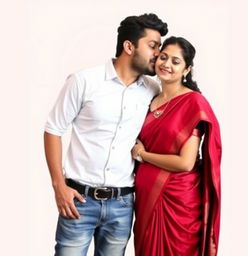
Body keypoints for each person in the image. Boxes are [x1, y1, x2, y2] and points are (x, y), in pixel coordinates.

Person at [44, 13, 168, 256]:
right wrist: (59, 186)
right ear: (129, 46)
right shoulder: (84, 81)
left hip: (123, 204)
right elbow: (53, 129)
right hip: (79, 200)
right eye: (153, 46)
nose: (158, 54)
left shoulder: (153, 90)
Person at [132, 36, 221, 256]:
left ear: (186, 69)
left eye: (175, 61)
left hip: (179, 202)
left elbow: (185, 162)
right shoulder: (149, 97)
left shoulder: (193, 103)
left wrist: (143, 154)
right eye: (163, 57)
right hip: (146, 197)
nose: (167, 64)